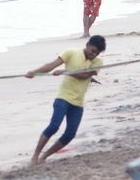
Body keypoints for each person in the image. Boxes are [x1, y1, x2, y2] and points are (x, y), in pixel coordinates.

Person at [25, 35, 107, 163]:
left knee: (70, 134)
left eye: (97, 53)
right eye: (92, 50)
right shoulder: (71, 52)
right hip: (63, 97)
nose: (93, 54)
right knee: (54, 126)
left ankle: (44, 156)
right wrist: (34, 72)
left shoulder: (98, 62)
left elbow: (85, 75)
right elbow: (52, 65)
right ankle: (35, 155)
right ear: (87, 45)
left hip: (78, 102)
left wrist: (65, 71)